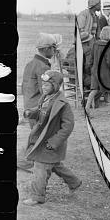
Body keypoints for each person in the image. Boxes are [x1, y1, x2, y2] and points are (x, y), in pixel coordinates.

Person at [22, 70, 81, 206]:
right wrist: (31, 112)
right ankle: (75, 182)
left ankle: (37, 196)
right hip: (42, 138)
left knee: (40, 167)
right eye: (43, 84)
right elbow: (41, 111)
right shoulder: (46, 97)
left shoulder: (62, 104)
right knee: (54, 165)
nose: (43, 87)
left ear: (55, 86)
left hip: (51, 142)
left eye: (47, 85)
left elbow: (68, 126)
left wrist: (54, 142)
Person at [18, 33, 58, 171]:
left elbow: (24, 88)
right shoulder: (43, 67)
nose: (55, 51)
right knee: (39, 135)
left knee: (37, 134)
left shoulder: (30, 64)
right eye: (53, 48)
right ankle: (23, 161)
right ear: (46, 49)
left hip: (29, 105)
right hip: (37, 108)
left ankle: (26, 161)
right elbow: (46, 91)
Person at [85, 26, 110, 116]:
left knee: (94, 89)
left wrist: (92, 68)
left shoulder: (95, 44)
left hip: (95, 71)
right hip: (105, 72)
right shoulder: (109, 46)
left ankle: (87, 107)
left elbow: (91, 58)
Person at [76, 0, 102, 90]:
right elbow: (79, 31)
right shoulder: (83, 14)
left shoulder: (95, 16)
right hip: (84, 45)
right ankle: (87, 86)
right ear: (95, 5)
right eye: (99, 4)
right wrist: (91, 39)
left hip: (91, 45)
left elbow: (96, 33)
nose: (100, 6)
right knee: (87, 66)